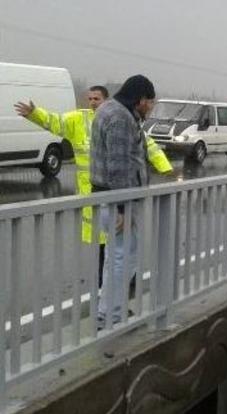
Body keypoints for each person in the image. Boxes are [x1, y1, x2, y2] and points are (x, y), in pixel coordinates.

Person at [14, 86, 173, 287]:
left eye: (96, 98)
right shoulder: (78, 120)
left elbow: (146, 144)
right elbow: (55, 122)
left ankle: (121, 284)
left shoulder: (119, 120)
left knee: (118, 243)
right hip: (93, 196)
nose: (92, 102)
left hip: (115, 192)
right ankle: (108, 288)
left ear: (106, 100)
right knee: (106, 245)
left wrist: (165, 167)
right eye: (89, 98)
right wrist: (34, 114)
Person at [89, 75, 157, 328]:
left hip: (110, 198)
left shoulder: (112, 110)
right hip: (117, 201)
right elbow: (118, 166)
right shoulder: (120, 117)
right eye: (150, 102)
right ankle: (113, 318)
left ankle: (105, 313)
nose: (151, 107)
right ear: (140, 100)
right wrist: (121, 208)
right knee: (122, 259)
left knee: (114, 258)